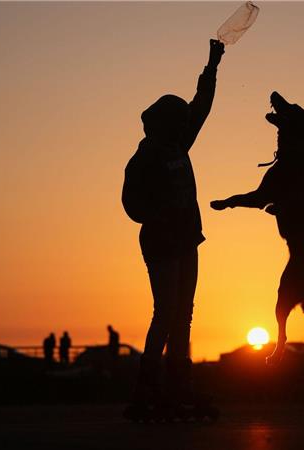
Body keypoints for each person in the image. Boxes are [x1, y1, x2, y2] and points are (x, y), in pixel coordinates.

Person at [122, 39, 224, 410]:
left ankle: (179, 386)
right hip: (161, 243)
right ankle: (147, 388)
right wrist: (160, 216)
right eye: (178, 120)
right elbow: (131, 205)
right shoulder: (144, 158)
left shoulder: (178, 145)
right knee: (166, 311)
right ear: (163, 123)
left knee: (184, 312)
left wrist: (211, 67)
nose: (185, 124)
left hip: (186, 241)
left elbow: (202, 107)